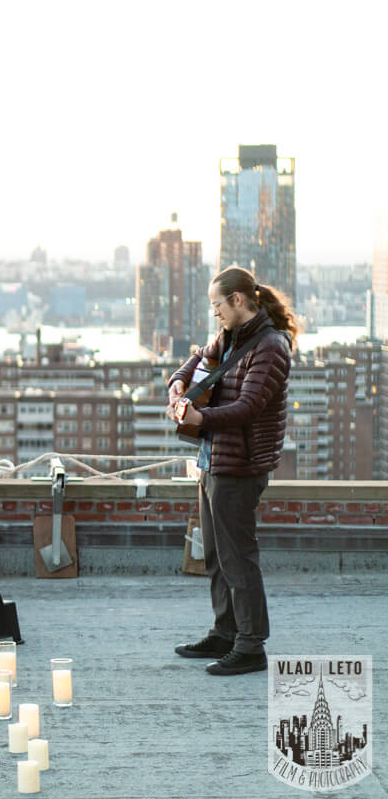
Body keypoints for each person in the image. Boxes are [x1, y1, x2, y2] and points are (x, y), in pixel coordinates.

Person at [167, 266, 295, 676]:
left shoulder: (271, 346)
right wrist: (177, 382)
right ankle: (225, 632)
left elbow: (248, 408)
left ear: (237, 300)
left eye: (217, 305)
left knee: (238, 556)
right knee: (217, 557)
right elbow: (198, 362)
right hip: (213, 458)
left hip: (240, 465)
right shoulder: (229, 337)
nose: (215, 313)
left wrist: (197, 418)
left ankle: (251, 645)